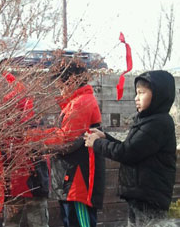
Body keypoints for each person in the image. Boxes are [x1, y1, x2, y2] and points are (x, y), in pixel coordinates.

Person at [84, 70, 177, 227]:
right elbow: (131, 147)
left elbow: (127, 153)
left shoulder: (157, 123)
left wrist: (97, 144)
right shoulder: (148, 120)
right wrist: (105, 137)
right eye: (136, 93)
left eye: (141, 93)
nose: (136, 98)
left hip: (149, 197)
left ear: (159, 95)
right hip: (141, 194)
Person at [26, 61, 105, 227]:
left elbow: (65, 138)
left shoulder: (80, 103)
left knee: (79, 221)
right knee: (72, 220)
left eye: (61, 84)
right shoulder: (76, 102)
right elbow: (63, 133)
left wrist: (33, 138)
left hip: (78, 178)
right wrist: (36, 136)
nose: (59, 89)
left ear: (72, 81)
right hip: (72, 176)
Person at [0, 70, 50, 227]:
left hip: (29, 185)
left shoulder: (29, 127)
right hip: (22, 185)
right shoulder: (33, 123)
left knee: (20, 223)